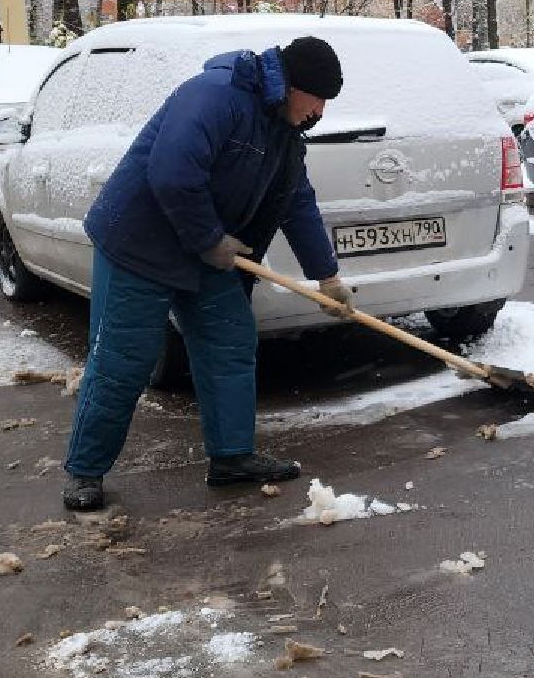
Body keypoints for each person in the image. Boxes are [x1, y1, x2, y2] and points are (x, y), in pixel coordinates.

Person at [60, 36, 353, 512]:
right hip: (140, 243)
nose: (320, 111)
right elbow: (173, 172)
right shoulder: (215, 95)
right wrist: (209, 241)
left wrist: (327, 278)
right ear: (294, 86)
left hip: (205, 247)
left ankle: (232, 456)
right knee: (124, 359)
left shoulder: (282, 131)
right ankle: (85, 471)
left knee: (230, 341)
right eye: (317, 98)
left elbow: (296, 202)